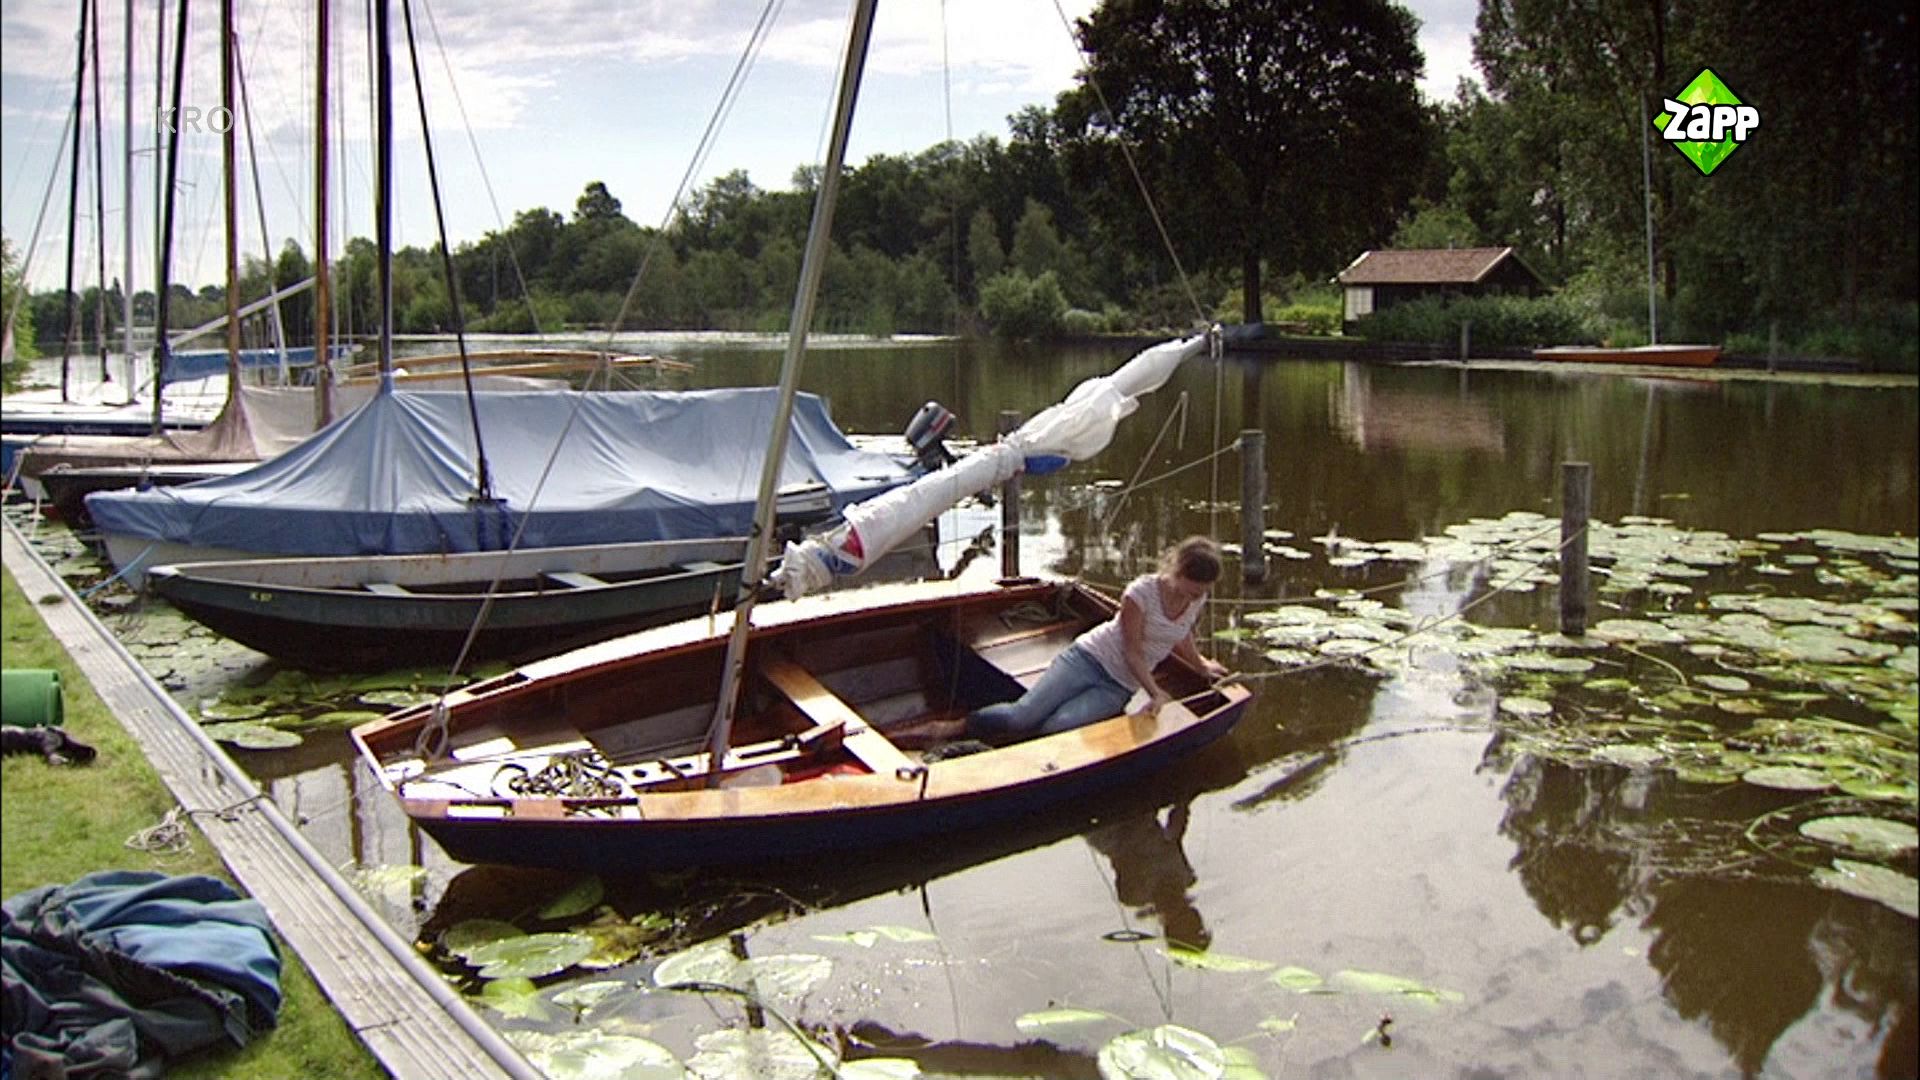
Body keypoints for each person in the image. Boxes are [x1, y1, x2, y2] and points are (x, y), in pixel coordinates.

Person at [903, 536, 1230, 748]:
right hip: (1087, 659)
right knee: (1022, 717)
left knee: (1056, 729)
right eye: (1191, 589)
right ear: (1177, 572)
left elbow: (1182, 633)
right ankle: (951, 729)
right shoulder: (1140, 593)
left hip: (1117, 686)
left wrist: (1201, 665)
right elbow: (1132, 651)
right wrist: (1155, 692)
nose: (1195, 597)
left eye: (1201, 592)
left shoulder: (1196, 599)